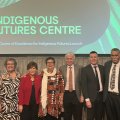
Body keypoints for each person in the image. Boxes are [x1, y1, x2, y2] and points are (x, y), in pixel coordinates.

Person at [59, 52, 83, 120]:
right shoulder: (61, 68)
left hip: (76, 94)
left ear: (74, 59)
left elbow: (82, 82)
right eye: (67, 59)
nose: (69, 60)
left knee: (78, 116)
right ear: (65, 59)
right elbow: (60, 83)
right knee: (67, 116)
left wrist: (82, 95)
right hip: (66, 94)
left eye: (71, 58)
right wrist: (60, 97)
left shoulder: (80, 68)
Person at [81, 51, 104, 120]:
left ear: (98, 58)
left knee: (99, 117)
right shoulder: (85, 69)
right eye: (91, 57)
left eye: (95, 57)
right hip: (91, 99)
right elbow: (84, 86)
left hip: (101, 98)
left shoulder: (102, 68)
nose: (93, 59)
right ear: (89, 59)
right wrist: (87, 100)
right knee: (90, 117)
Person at [103, 48, 120, 120]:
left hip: (118, 96)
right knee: (110, 117)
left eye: (116, 55)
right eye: (112, 55)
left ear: (119, 55)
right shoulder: (107, 64)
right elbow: (104, 80)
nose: (114, 57)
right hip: (108, 96)